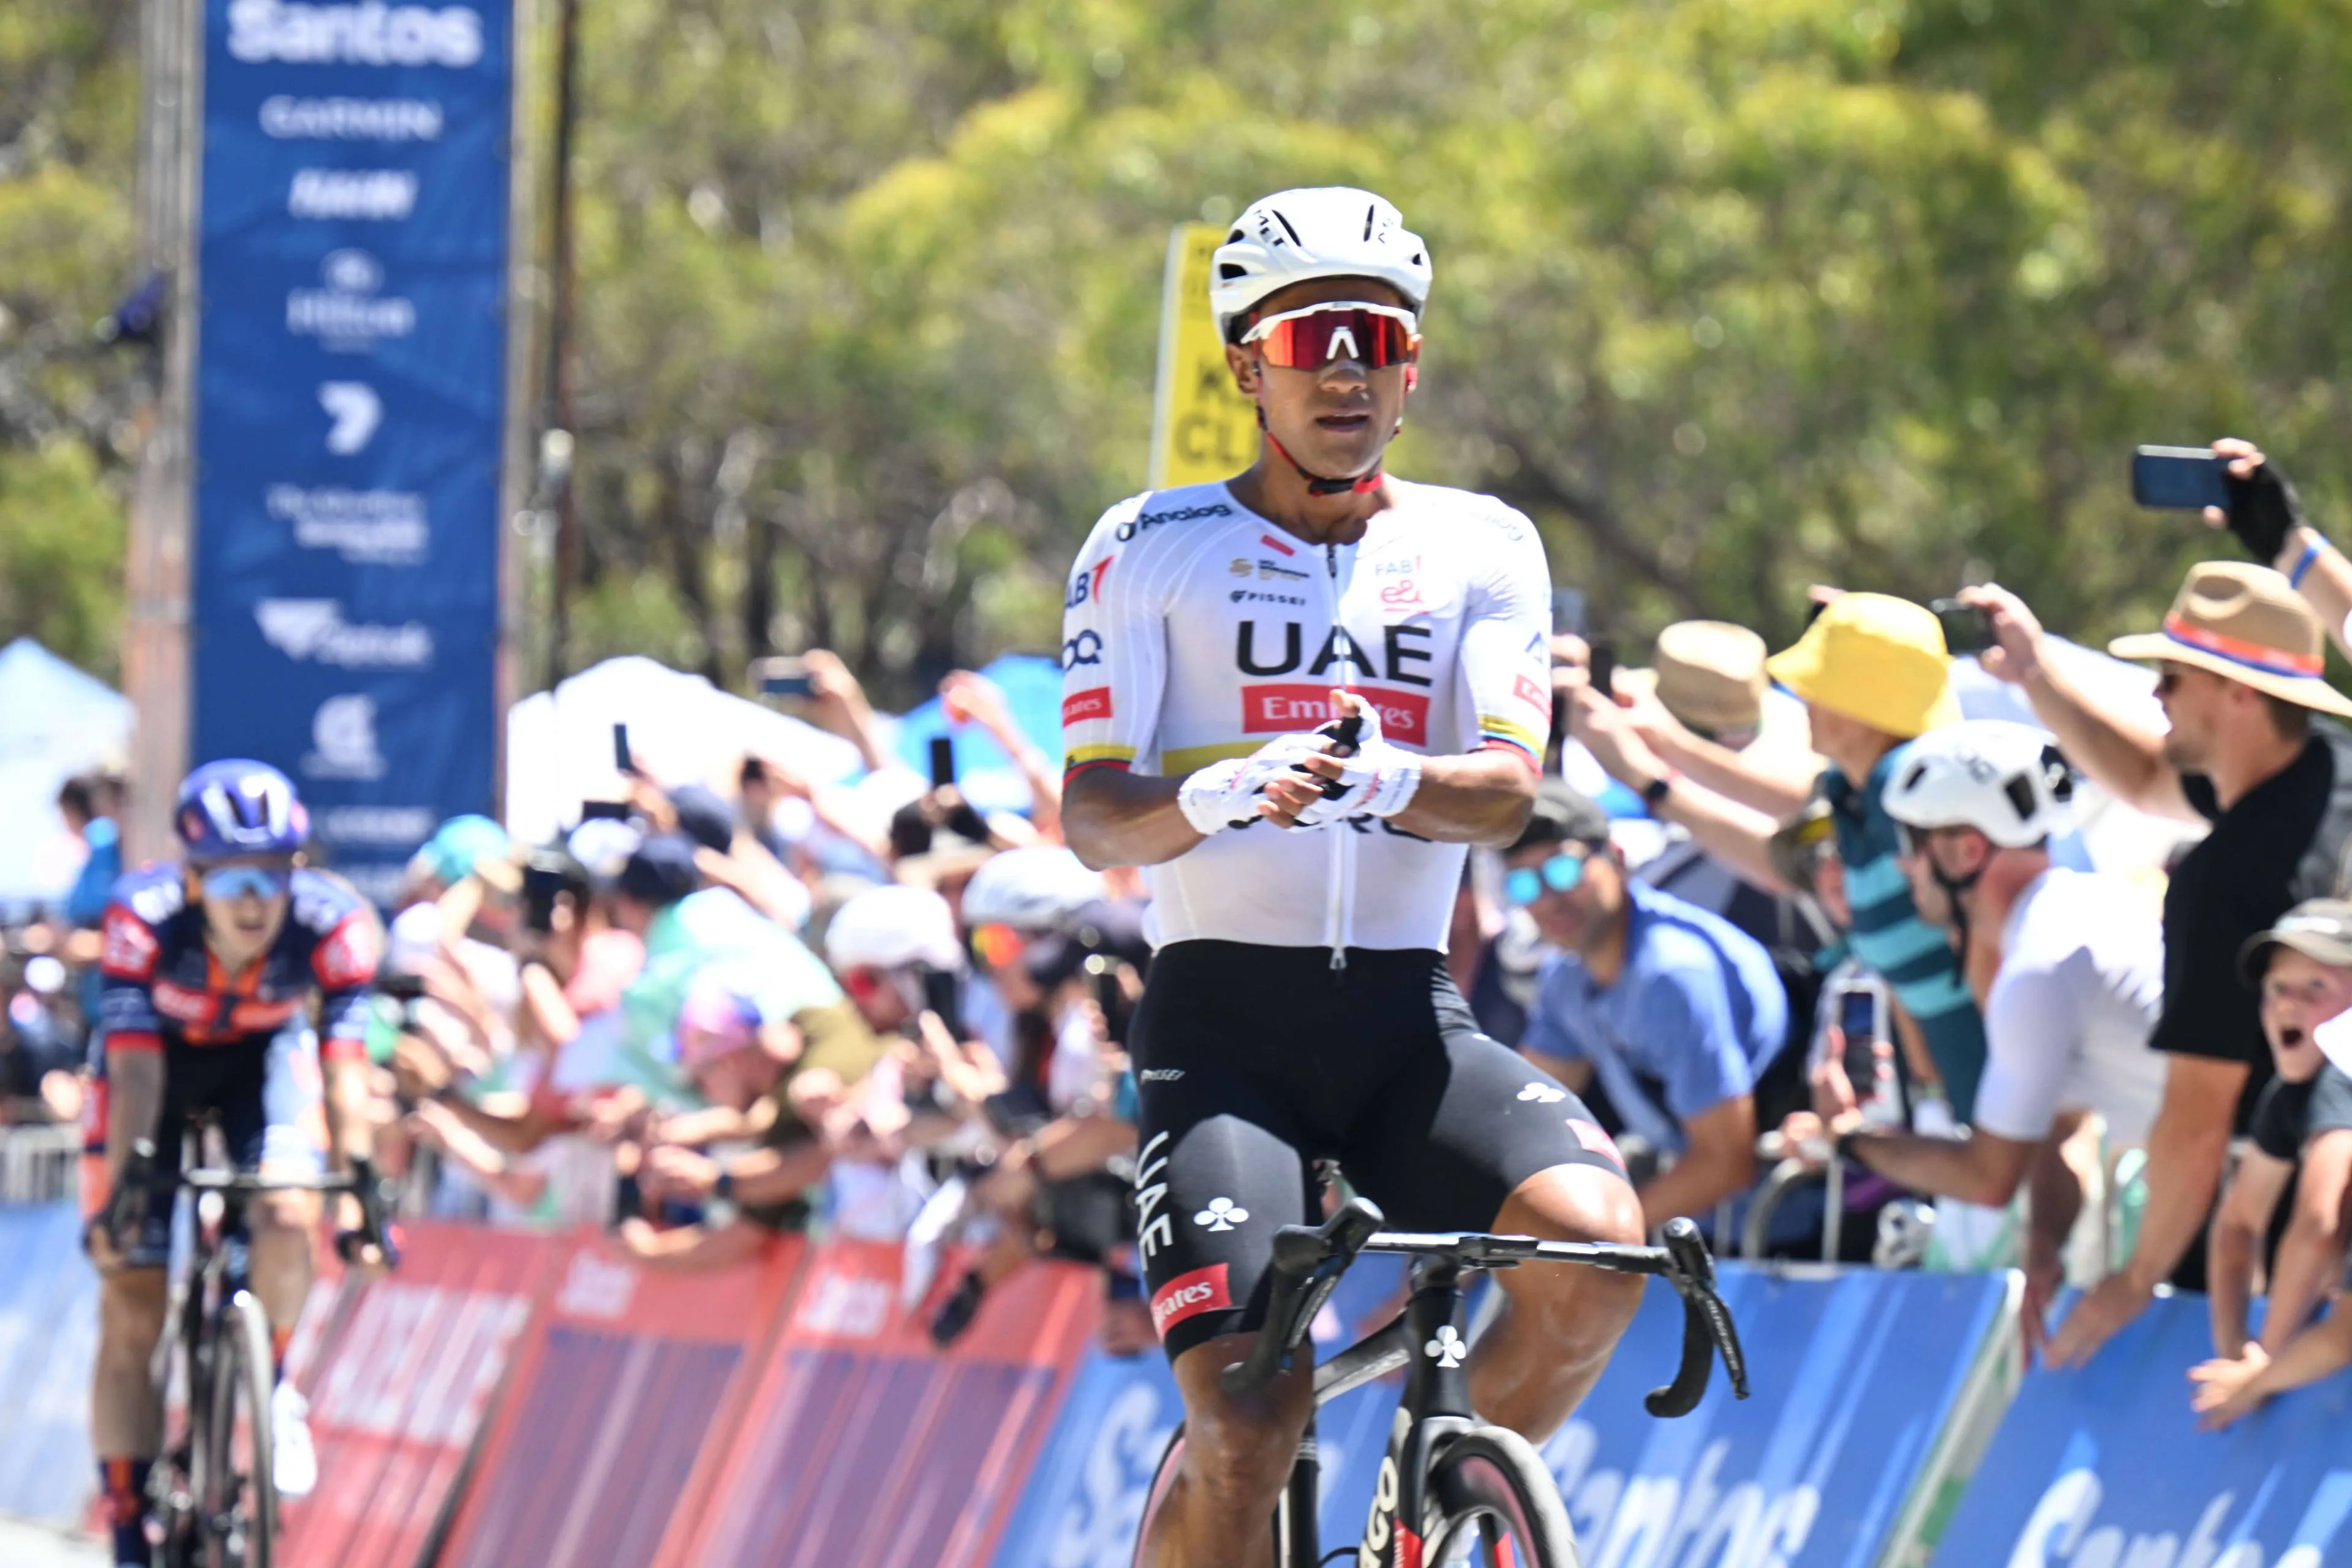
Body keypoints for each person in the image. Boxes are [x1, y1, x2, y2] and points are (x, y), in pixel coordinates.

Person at [1056, 185, 1644, 1568]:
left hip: (1401, 1021)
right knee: (1246, 1433)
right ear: (1242, 363)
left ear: (1410, 369)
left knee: (1595, 1249)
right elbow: (1091, 814)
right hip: (1220, 1038)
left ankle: (1423, 1504)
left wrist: (1383, 776)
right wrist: (1201, 798)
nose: (1341, 367)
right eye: (1309, 335)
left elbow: (1507, 790)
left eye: (1373, 339)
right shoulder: (1146, 547)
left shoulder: (1482, 546)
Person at [1963, 560, 2352, 1366]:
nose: (2157, 697)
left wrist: (2138, 1277)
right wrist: (2036, 674)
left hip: (2304, 1222)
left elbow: (2198, 1114)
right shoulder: (2327, 769)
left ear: (2240, 694)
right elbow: (2142, 775)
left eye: (2174, 677)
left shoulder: (2225, 882)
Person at [86, 761, 385, 1566]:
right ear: (191, 883)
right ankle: (124, 1523)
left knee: (293, 1212)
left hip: (263, 1063)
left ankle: (275, 1383)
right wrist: (125, 1197)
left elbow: (347, 1069)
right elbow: (135, 1075)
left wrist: (358, 1187)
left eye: (274, 875)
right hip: (156, 1068)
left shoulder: (337, 924)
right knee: (133, 1296)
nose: (254, 900)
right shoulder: (141, 920)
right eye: (230, 880)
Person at [1797, 722, 2167, 1344]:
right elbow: (2064, 1126)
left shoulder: (2038, 968)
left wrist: (1847, 1141)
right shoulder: (2078, 910)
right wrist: (2045, 1245)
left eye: (1912, 845)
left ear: (1967, 851)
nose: (1904, 866)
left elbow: (1987, 1178)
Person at [1572, 593, 1988, 1120]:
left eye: (1819, 684)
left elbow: (1782, 864)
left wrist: (1652, 780)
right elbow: (1800, 811)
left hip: (1975, 1094)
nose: (1801, 697)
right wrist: (1668, 745)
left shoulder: (1900, 800)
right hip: (1945, 1094)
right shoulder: (1879, 790)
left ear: (1865, 705)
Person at [1510, 784, 1791, 1229]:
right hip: (1684, 1224)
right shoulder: (1563, 976)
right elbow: (1520, 1124)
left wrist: (1591, 1241)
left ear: (1617, 859)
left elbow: (1726, 1164)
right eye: (1522, 883)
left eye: (1562, 870)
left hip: (1775, 1234)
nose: (1547, 898)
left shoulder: (1671, 975)